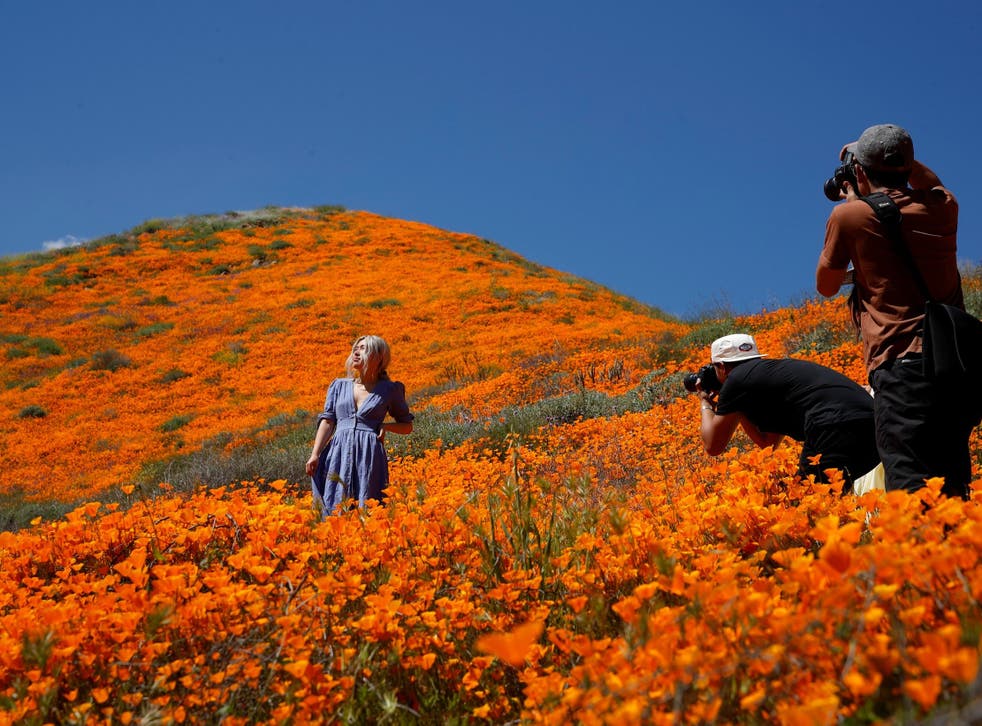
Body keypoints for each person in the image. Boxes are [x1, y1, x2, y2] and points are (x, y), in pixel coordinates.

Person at [816, 123, 972, 499]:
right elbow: (931, 181)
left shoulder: (850, 217)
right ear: (908, 164)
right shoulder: (943, 207)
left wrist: (854, 199)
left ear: (857, 171)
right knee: (951, 482)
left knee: (909, 480)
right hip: (956, 369)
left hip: (902, 364)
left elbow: (826, 285)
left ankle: (921, 557)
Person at [697, 333, 880, 493]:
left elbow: (713, 446)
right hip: (874, 426)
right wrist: (738, 407)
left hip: (833, 423)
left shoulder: (735, 379)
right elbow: (767, 443)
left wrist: (705, 401)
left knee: (810, 505)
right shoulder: (775, 374)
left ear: (721, 366)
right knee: (830, 500)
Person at [305, 335, 414, 516]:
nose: (356, 352)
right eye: (356, 348)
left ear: (378, 357)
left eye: (363, 348)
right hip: (337, 453)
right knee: (335, 504)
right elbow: (328, 421)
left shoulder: (390, 390)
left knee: (369, 506)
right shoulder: (338, 386)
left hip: (369, 456)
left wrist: (386, 427)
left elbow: (406, 425)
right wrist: (315, 454)